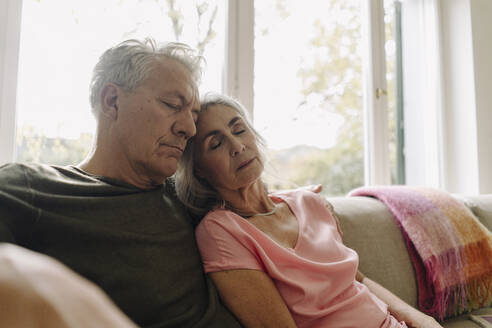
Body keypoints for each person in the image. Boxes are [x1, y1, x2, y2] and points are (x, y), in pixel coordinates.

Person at [0, 39, 242, 327]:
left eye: (193, 115)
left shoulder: (190, 195)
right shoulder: (27, 189)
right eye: (172, 105)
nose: (189, 129)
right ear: (112, 101)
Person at [175, 93, 444, 328]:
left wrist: (421, 319)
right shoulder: (221, 231)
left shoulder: (309, 203)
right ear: (199, 170)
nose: (237, 146)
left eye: (239, 129)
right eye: (216, 144)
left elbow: (357, 279)